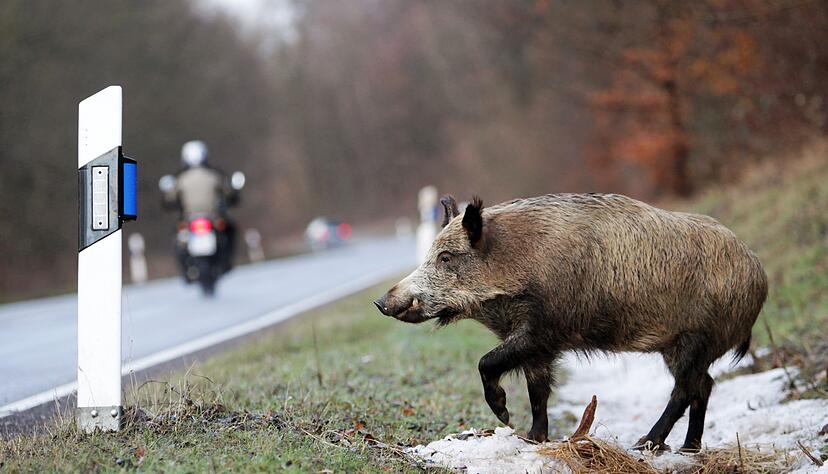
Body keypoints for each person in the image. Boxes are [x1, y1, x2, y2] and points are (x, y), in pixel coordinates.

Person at [162, 140, 239, 274]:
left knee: (176, 237)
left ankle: (185, 270)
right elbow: (229, 193)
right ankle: (227, 263)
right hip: (213, 218)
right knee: (231, 230)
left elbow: (169, 200)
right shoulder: (214, 175)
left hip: (189, 219)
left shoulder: (180, 179)